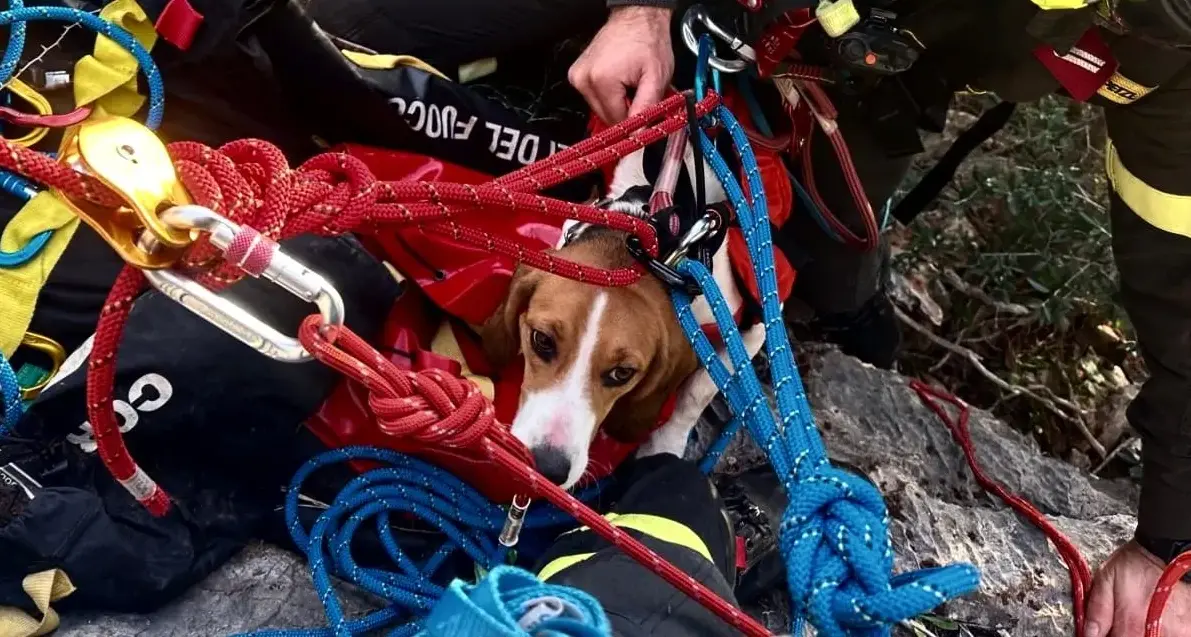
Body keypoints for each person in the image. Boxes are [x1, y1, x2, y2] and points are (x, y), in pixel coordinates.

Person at [305, 0, 1191, 635]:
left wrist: (1171, 542)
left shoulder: (1166, 38)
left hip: (854, 84)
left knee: (831, 284)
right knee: (357, 38)